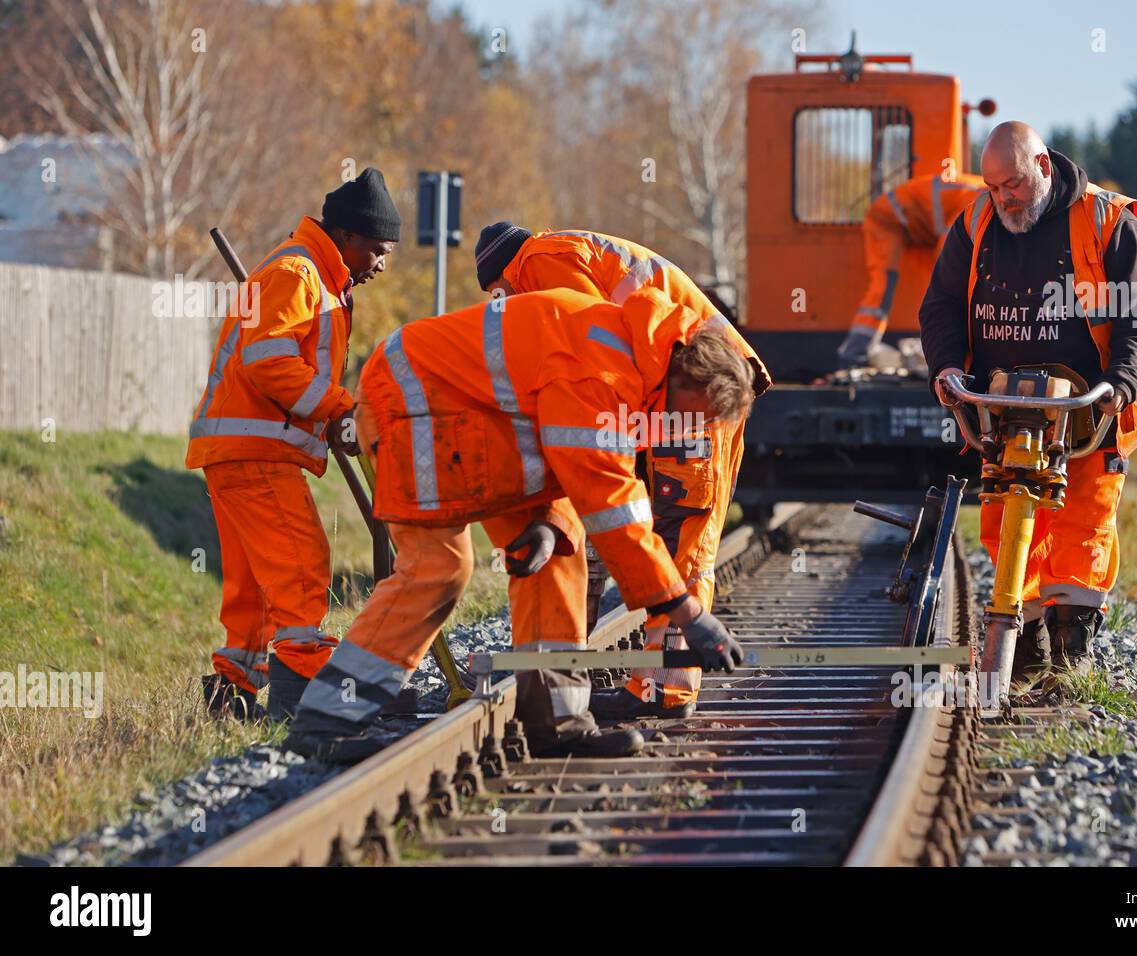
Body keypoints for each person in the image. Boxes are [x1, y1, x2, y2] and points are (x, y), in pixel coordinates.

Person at [284, 287, 755, 764]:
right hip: (412, 404)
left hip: (478, 422)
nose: (684, 427)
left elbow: (565, 448)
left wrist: (548, 519)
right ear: (681, 373)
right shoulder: (603, 369)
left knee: (558, 553)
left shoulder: (632, 358)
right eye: (693, 414)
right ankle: (327, 721)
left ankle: (558, 722)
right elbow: (613, 504)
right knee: (437, 567)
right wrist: (688, 614)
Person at [473, 224, 769, 719]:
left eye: (497, 295)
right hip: (687, 380)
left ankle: (665, 689)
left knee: (680, 535)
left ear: (503, 274)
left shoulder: (539, 261)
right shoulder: (563, 251)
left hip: (696, 382)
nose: (501, 305)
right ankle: (652, 682)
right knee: (674, 528)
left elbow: (590, 350)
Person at [918, 122, 1137, 681]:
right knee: (1006, 517)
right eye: (994, 187)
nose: (1004, 198)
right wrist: (948, 367)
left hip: (1088, 411)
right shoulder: (976, 223)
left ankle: (1072, 650)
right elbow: (941, 306)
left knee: (1083, 522)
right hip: (1004, 408)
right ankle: (1023, 649)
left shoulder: (1107, 222)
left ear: (1045, 167)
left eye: (1014, 185)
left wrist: (1120, 383)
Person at [187, 168, 400, 721]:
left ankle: (231, 694)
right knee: (302, 566)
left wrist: (331, 416)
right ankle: (301, 698)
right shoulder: (296, 273)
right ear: (348, 237)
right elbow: (268, 361)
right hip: (254, 450)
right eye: (376, 250)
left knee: (255, 583)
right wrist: (337, 408)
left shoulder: (312, 274)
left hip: (239, 447)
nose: (381, 264)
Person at [837, 172, 985, 367]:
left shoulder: (985, 193)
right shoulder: (978, 203)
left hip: (919, 230)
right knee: (883, 286)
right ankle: (854, 353)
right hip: (886, 219)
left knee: (935, 292)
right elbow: (948, 251)